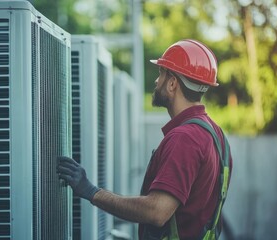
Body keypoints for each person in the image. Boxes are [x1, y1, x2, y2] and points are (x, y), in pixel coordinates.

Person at [57, 39, 233, 240]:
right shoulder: (217, 136)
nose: (157, 81)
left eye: (161, 74)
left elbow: (157, 211)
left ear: (173, 83)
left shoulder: (185, 138)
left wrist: (91, 192)